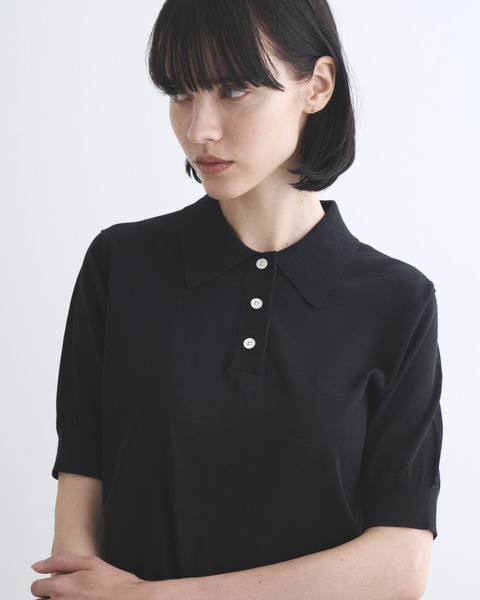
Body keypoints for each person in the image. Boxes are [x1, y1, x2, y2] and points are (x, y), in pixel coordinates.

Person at [30, 0, 442, 598]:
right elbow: (76, 536)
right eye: (180, 93)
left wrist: (151, 597)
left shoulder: (399, 303)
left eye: (233, 89)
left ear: (317, 86)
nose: (199, 129)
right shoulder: (120, 266)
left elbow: (399, 568)